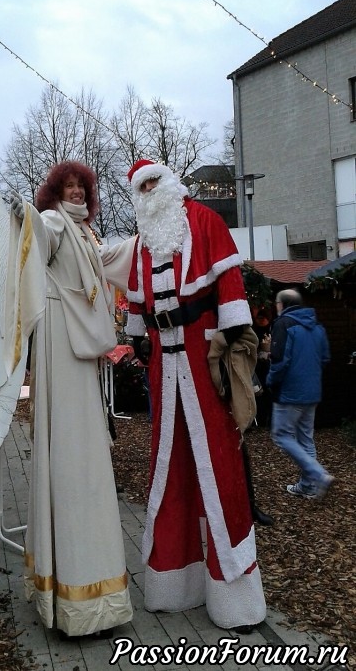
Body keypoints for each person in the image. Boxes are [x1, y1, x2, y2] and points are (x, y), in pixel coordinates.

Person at [119, 159, 266, 631]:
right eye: (141, 186)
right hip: (165, 370)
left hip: (206, 365)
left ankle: (235, 595)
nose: (149, 189)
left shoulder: (204, 221)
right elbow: (138, 304)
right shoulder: (142, 244)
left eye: (154, 180)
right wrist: (138, 336)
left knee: (219, 466)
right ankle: (174, 582)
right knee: (170, 468)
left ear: (170, 183)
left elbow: (228, 282)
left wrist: (235, 332)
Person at [9, 161, 133, 638]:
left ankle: (88, 593)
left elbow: (109, 266)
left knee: (84, 456)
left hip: (80, 349)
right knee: (73, 452)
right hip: (64, 343)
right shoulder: (59, 222)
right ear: (55, 192)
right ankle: (73, 597)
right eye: (68, 186)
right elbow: (38, 233)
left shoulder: (88, 234)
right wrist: (25, 214)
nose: (77, 191)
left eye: (82, 186)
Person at [267, 289, 333, 499]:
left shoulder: (283, 324)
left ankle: (318, 474)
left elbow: (279, 361)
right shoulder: (317, 326)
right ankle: (308, 486)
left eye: (276, 303)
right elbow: (324, 358)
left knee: (282, 436)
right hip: (312, 391)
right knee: (305, 438)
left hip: (289, 393)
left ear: (283, 304)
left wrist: (270, 381)